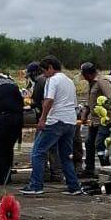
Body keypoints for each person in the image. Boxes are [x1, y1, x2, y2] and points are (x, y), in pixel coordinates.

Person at [20, 56, 82, 196]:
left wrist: (42, 119)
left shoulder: (52, 80)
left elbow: (48, 101)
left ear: (50, 68)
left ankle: (36, 185)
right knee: (65, 155)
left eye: (44, 71)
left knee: (38, 151)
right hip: (70, 121)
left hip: (56, 120)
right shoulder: (69, 81)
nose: (43, 74)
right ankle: (74, 186)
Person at [27, 62, 62, 182]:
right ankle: (56, 173)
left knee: (40, 148)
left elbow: (37, 101)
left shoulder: (40, 81)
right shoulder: (56, 79)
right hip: (56, 118)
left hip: (45, 118)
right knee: (53, 147)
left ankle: (42, 174)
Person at [79, 62, 111, 176]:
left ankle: (106, 169)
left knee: (99, 144)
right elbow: (89, 102)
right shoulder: (91, 84)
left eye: (84, 75)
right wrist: (84, 114)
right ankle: (89, 169)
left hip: (104, 120)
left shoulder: (102, 82)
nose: (83, 77)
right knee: (89, 143)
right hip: (94, 121)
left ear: (88, 74)